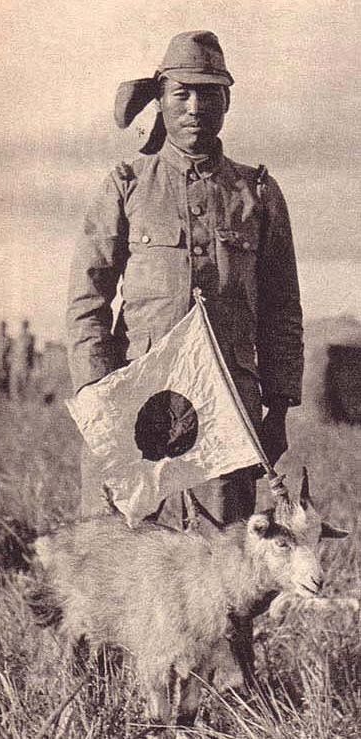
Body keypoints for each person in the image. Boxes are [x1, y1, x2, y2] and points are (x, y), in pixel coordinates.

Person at [66, 30, 303, 683]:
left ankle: (225, 696)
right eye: (182, 93)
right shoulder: (125, 185)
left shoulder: (257, 193)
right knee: (112, 557)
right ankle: (97, 692)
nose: (195, 106)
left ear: (228, 102)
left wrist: (276, 405)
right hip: (133, 411)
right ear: (161, 101)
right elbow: (86, 300)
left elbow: (282, 308)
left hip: (226, 414)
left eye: (209, 93)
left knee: (226, 560)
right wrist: (96, 397)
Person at [11, 319, 35, 399]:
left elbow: (31, 352)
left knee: (25, 382)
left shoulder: (30, 338)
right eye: (23, 325)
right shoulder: (18, 338)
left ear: (27, 326)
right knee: (16, 383)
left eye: (25, 325)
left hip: (25, 363)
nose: (24, 327)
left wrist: (31, 364)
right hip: (18, 363)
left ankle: (24, 398)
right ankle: (17, 399)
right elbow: (14, 351)